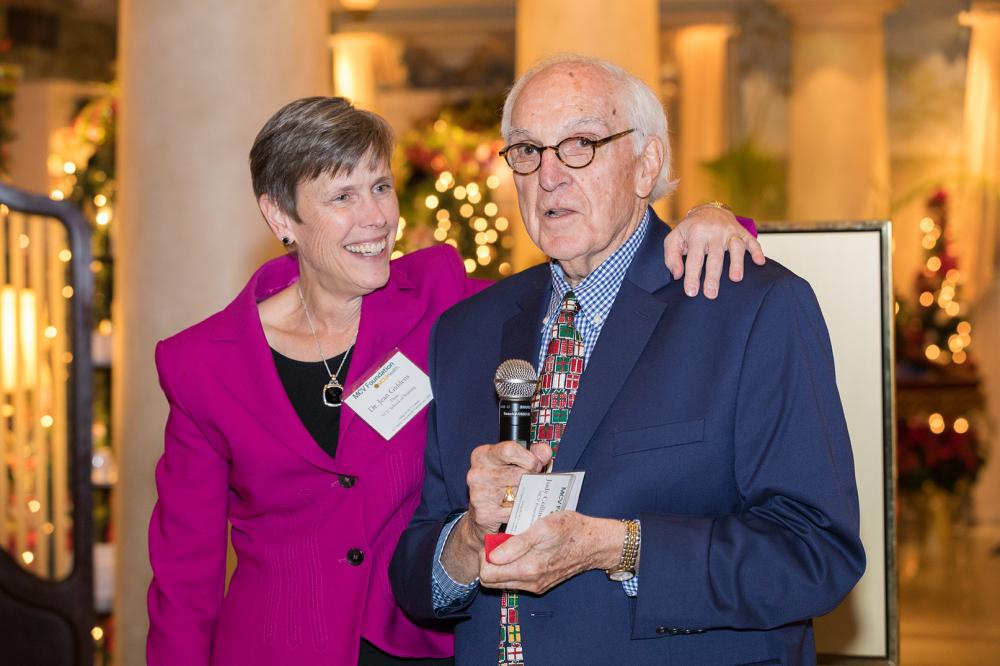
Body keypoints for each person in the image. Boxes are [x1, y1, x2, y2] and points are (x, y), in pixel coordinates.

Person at [146, 96, 762, 665]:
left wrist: (711, 222)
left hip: (418, 638)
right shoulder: (204, 363)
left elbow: (581, 300)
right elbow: (184, 576)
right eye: (342, 197)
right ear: (281, 215)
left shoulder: (438, 299)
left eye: (380, 187)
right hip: (278, 646)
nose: (375, 219)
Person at [389, 55, 866, 666]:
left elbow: (816, 553)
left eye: (581, 144)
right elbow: (416, 578)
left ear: (646, 165)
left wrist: (620, 548)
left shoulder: (747, 308)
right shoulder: (467, 331)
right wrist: (467, 539)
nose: (550, 176)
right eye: (528, 151)